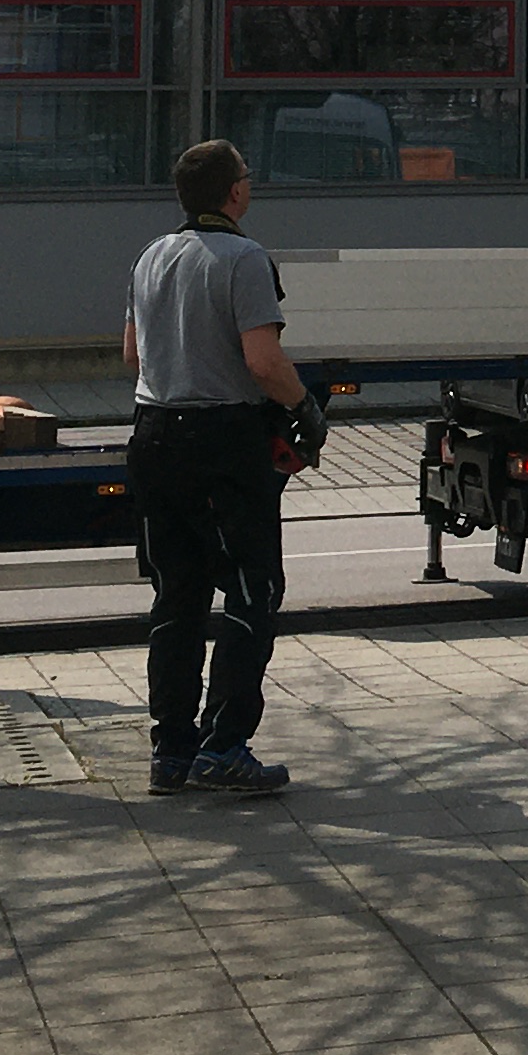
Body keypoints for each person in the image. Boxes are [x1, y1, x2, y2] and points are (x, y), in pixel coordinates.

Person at [125, 139, 320, 795]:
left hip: (153, 437)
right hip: (222, 440)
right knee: (250, 588)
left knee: (176, 596)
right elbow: (264, 363)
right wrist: (306, 408)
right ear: (233, 193)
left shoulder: (151, 256)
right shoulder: (243, 258)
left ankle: (171, 750)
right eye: (246, 175)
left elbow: (133, 356)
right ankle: (226, 744)